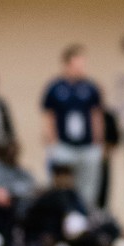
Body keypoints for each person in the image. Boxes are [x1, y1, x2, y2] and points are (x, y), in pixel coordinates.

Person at [41, 45, 104, 210]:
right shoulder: (55, 87)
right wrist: (52, 143)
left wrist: (98, 142)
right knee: (61, 187)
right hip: (63, 146)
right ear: (68, 64)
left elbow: (96, 115)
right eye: (79, 64)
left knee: (88, 189)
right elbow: (49, 116)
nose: (82, 68)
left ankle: (86, 221)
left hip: (87, 146)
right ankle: (62, 220)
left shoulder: (90, 87)